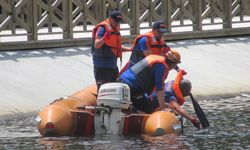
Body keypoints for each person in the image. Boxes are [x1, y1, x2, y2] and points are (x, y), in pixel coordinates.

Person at [132, 70, 201, 129]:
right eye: (187, 92)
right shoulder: (170, 95)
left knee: (171, 109)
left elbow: (167, 103)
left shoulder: (171, 83)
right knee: (175, 111)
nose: (188, 94)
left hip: (144, 97)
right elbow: (178, 109)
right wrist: (192, 119)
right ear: (183, 90)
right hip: (143, 106)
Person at [91, 10, 131, 91]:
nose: (117, 23)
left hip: (113, 67)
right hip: (102, 67)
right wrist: (104, 38)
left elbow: (116, 47)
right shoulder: (102, 28)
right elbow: (97, 44)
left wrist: (130, 49)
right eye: (115, 21)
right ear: (110, 19)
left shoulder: (115, 29)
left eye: (119, 22)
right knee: (103, 90)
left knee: (114, 89)